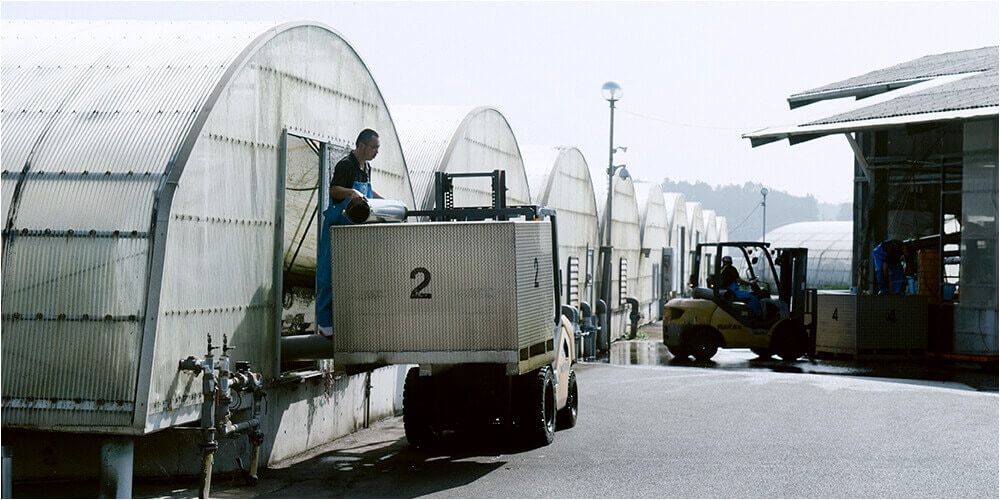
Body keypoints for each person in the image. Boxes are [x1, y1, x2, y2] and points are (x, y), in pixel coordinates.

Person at [316, 129, 384, 337]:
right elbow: (334, 190)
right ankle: (324, 323)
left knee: (351, 276)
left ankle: (348, 319)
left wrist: (387, 202)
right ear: (362, 145)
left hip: (355, 228)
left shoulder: (367, 168)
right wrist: (351, 192)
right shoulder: (346, 165)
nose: (376, 152)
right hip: (338, 225)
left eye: (378, 149)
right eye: (374, 148)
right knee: (329, 272)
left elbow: (368, 194)